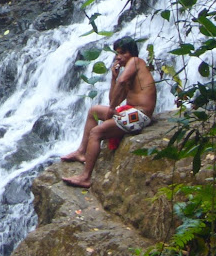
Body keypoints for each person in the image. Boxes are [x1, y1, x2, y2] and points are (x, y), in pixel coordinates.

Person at [60, 36, 156, 188]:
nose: (118, 57)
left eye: (122, 53)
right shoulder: (129, 74)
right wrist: (113, 78)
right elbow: (115, 99)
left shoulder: (136, 62)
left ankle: (85, 177)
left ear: (131, 53)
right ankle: (81, 152)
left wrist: (112, 109)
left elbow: (120, 88)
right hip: (131, 112)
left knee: (96, 133)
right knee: (94, 111)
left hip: (140, 115)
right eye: (117, 53)